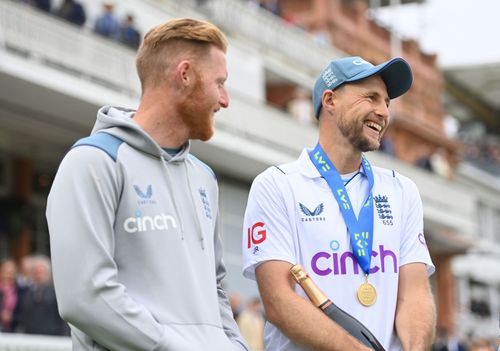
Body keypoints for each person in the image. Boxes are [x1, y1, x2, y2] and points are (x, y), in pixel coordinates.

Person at [46, 18, 249, 350]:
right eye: (220, 83)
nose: (225, 100)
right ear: (185, 74)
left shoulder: (204, 177)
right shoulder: (93, 162)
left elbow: (213, 290)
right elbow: (85, 297)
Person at [242, 56, 436, 350]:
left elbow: (415, 294)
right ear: (330, 100)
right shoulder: (277, 185)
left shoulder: (402, 190)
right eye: (371, 97)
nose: (383, 112)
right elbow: (279, 302)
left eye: (386, 102)